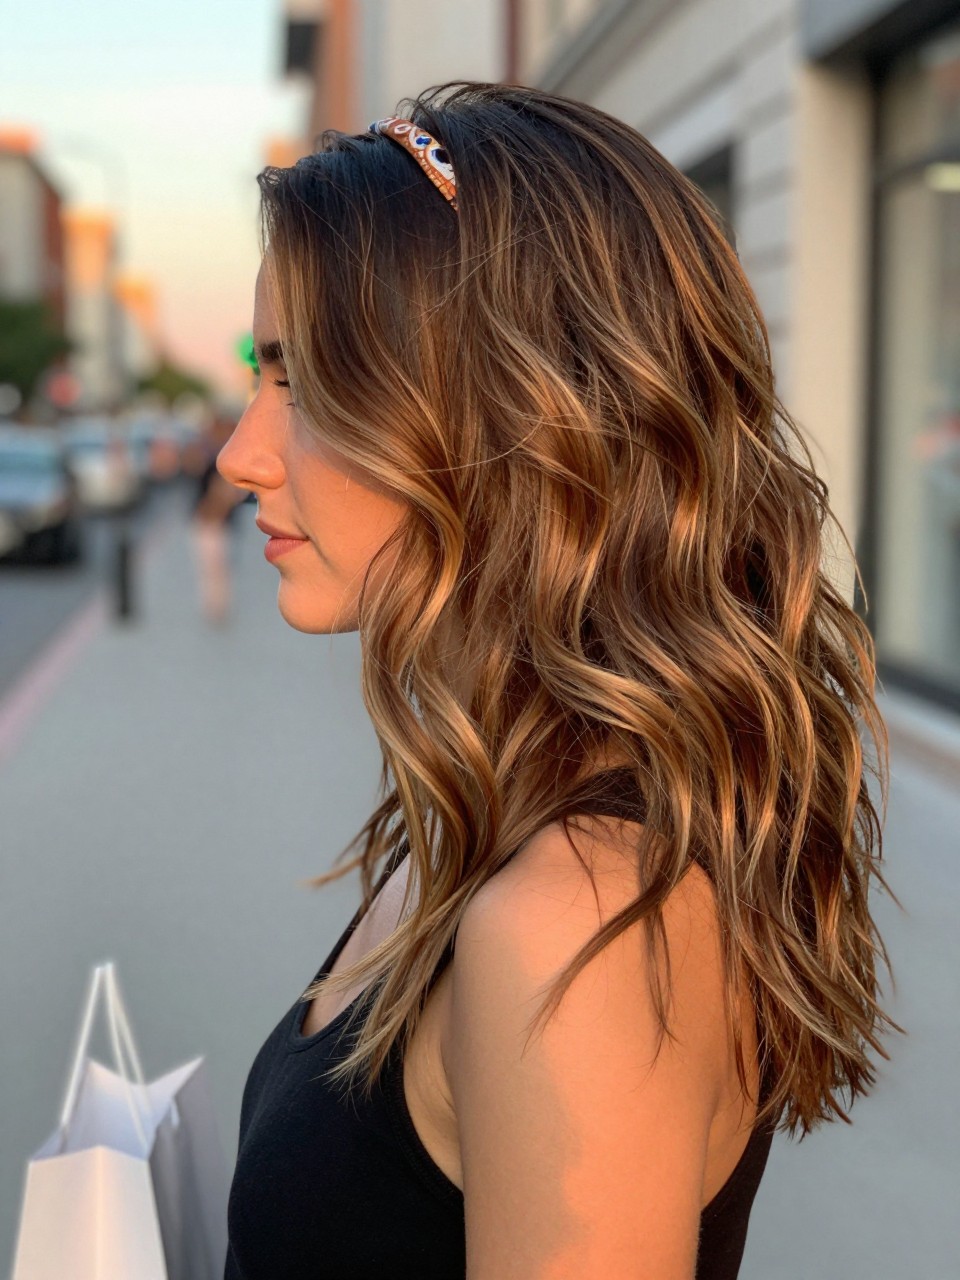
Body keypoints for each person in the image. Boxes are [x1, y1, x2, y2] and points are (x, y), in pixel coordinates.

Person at [216, 82, 899, 1279]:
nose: (237, 453)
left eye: (306, 379)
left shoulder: (577, 919)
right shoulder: (501, 810)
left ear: (519, 412)